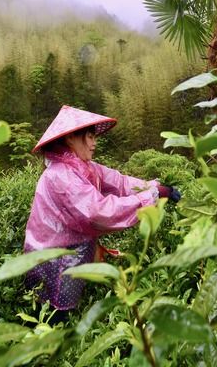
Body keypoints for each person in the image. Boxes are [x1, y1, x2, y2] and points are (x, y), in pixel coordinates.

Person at [23, 105, 180, 323]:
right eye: (89, 136)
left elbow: (121, 182)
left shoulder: (82, 167)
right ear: (70, 138)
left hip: (70, 252)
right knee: (51, 316)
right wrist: (151, 197)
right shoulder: (61, 176)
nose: (94, 142)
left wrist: (155, 186)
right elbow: (98, 212)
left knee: (65, 308)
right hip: (53, 257)